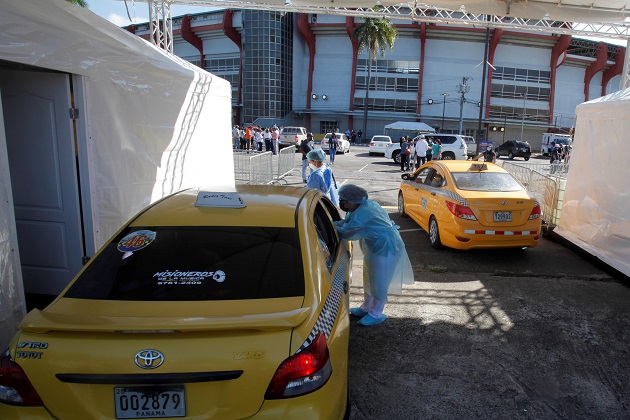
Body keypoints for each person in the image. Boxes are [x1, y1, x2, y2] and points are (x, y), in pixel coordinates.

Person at [334, 184, 414, 326]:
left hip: (387, 248)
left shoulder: (363, 213)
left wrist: (332, 227)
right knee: (369, 278)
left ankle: (376, 313)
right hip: (376, 247)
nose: (341, 203)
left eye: (343, 200)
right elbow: (347, 222)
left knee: (379, 281)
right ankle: (366, 307)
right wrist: (335, 223)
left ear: (351, 201)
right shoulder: (360, 206)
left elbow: (346, 232)